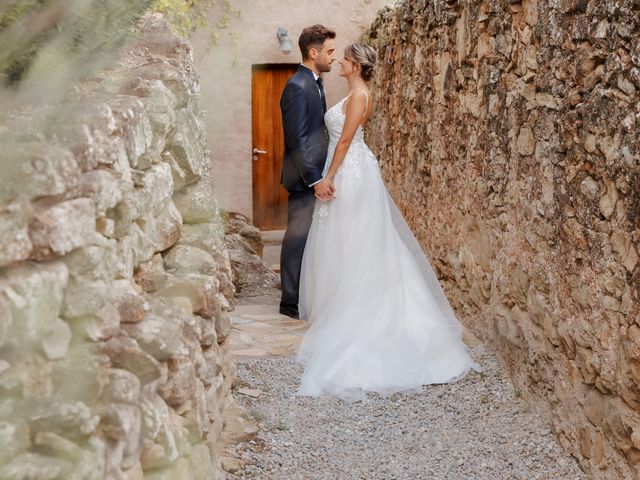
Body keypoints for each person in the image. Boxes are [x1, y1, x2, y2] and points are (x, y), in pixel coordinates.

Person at [296, 43, 481, 399]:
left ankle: (363, 316)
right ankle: (342, 306)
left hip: (350, 173)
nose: (340, 62)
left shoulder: (360, 95)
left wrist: (328, 177)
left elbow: (346, 140)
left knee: (355, 241)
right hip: (351, 169)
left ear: (356, 66)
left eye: (345, 59)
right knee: (348, 241)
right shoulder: (355, 92)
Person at [279, 24, 337, 320]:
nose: (333, 57)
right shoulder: (297, 86)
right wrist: (314, 179)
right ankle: (290, 301)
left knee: (310, 237)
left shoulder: (314, 81)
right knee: (297, 236)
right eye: (329, 51)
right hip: (303, 178)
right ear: (313, 52)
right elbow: (297, 139)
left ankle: (303, 294)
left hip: (315, 173)